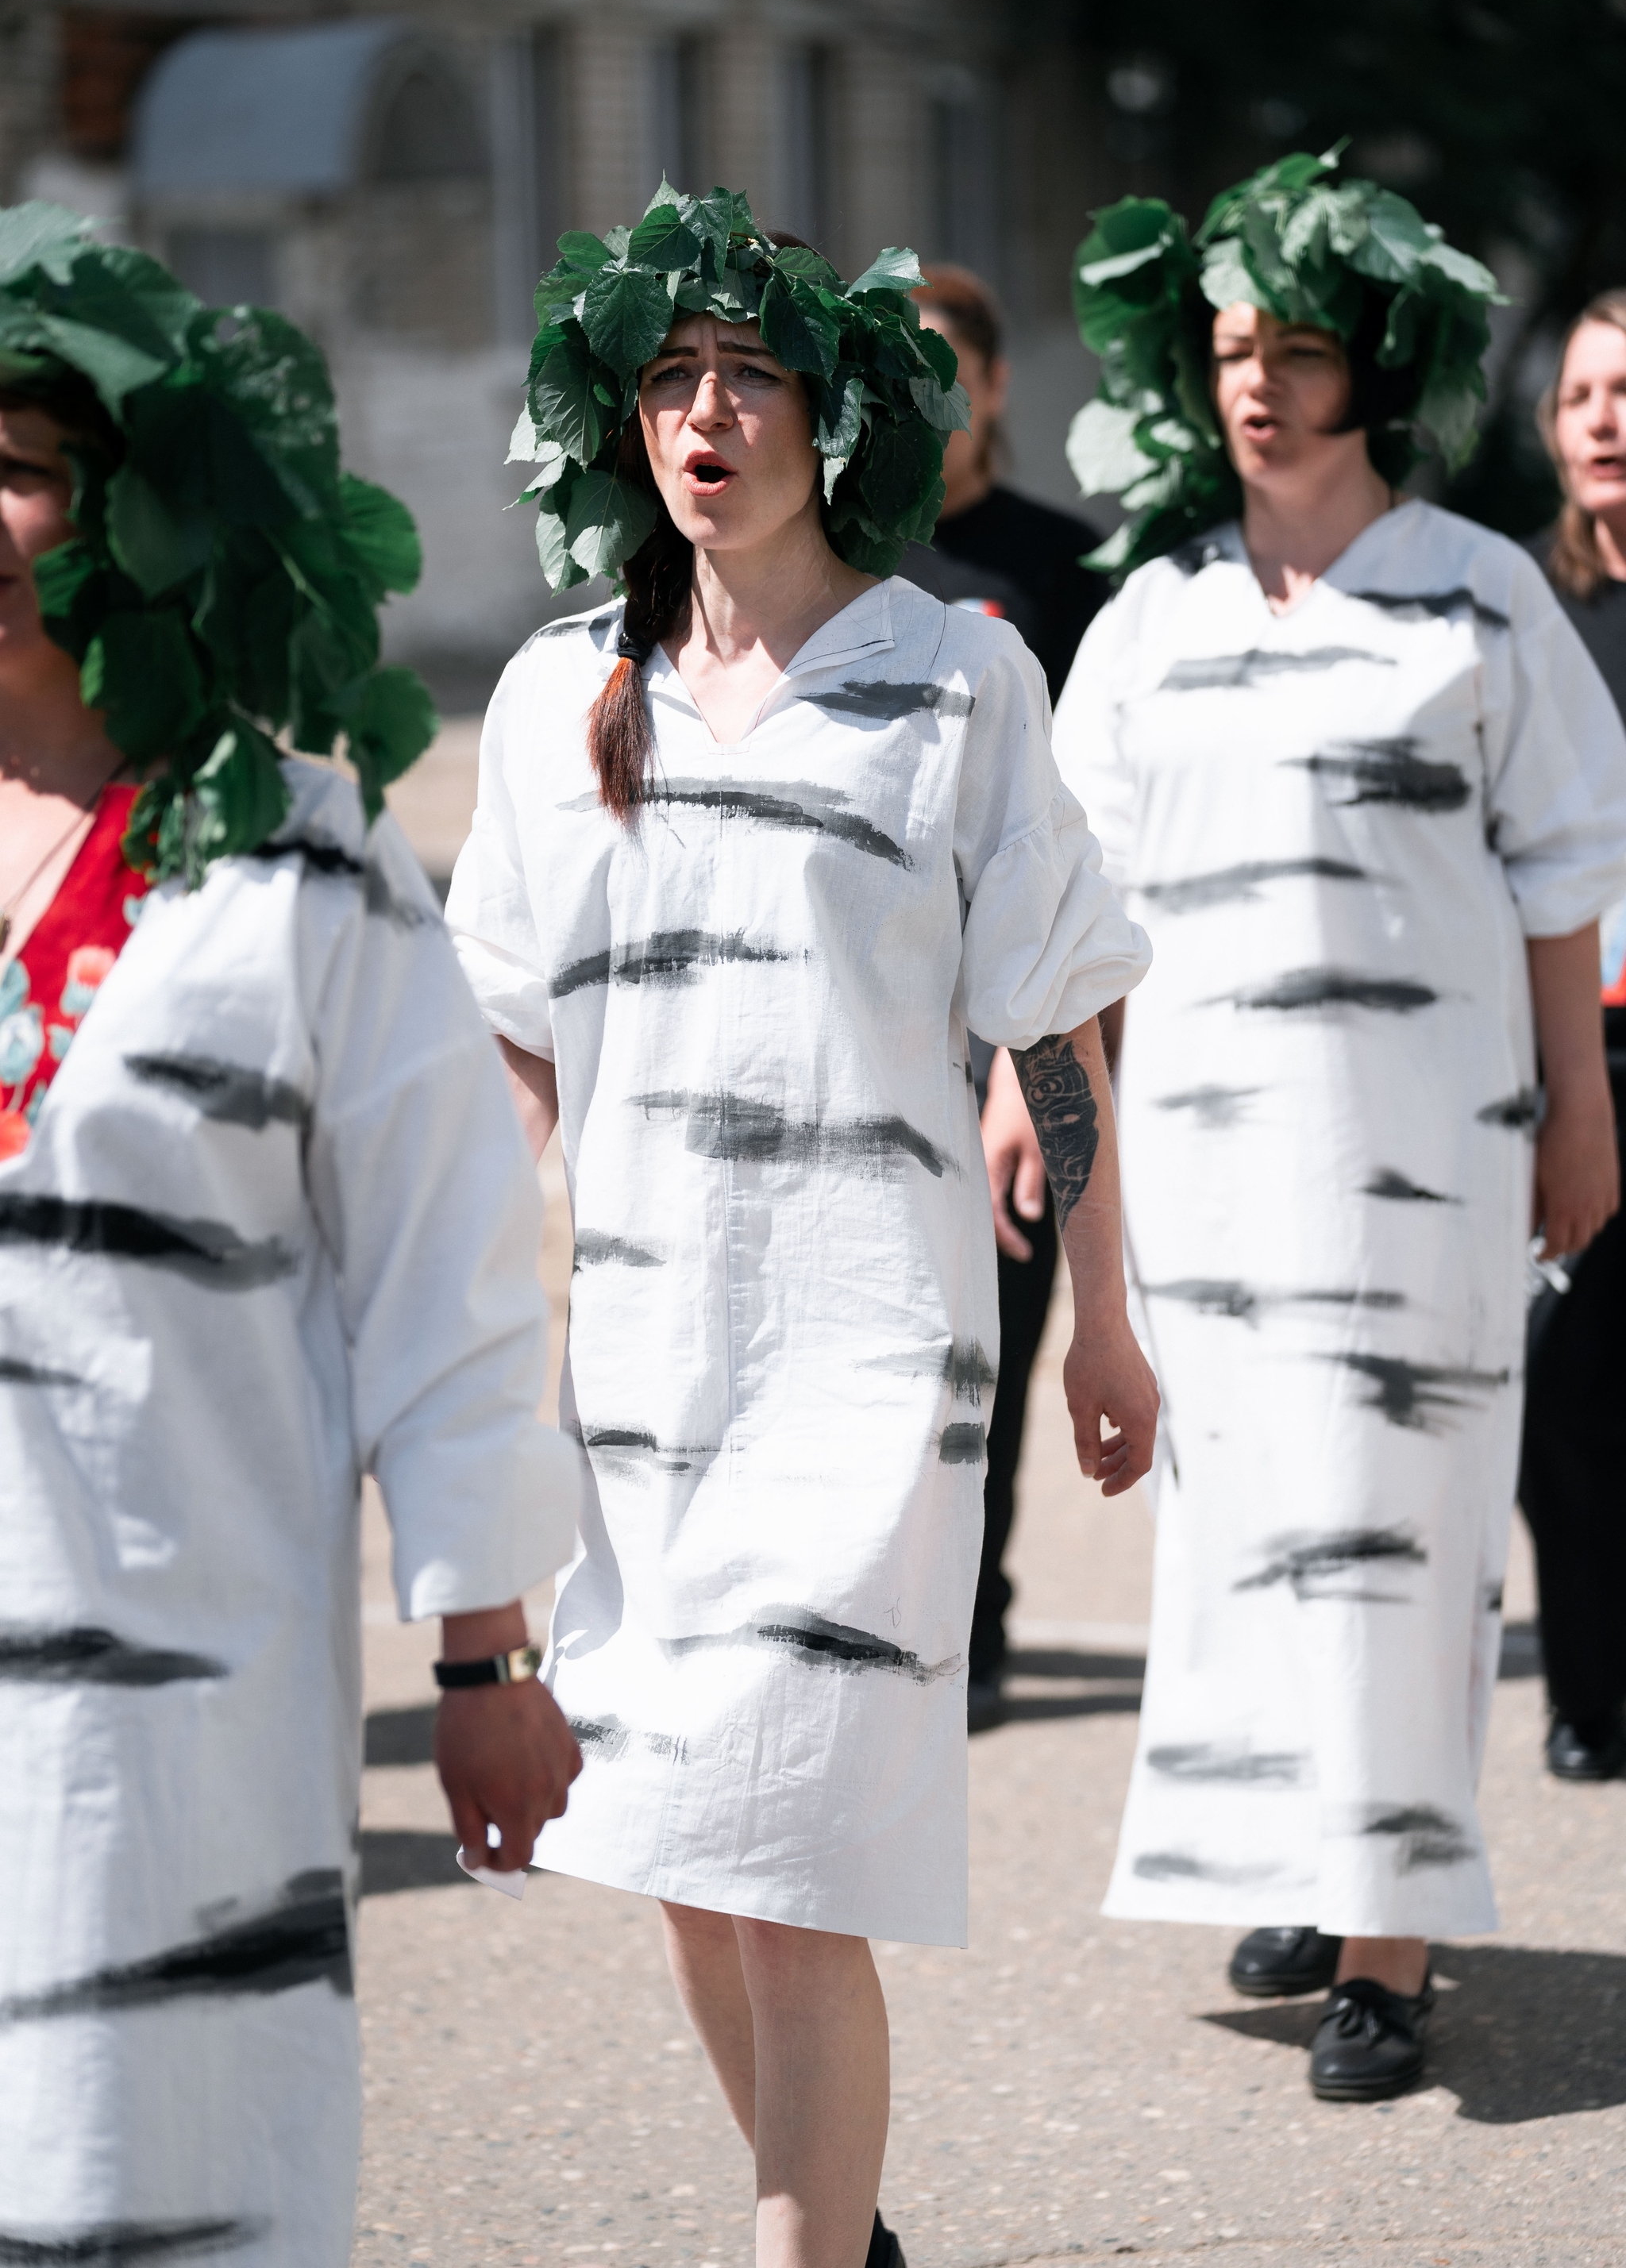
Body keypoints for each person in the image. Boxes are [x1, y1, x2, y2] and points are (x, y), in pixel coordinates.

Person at [449, 185, 1157, 2267]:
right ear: (620, 422)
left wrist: (1102, 1316)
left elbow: (1052, 1027)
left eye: (750, 372)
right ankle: (845, 2231)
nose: (707, 413)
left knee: (795, 1865)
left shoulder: (954, 683)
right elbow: (507, 1073)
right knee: (686, 1850)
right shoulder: (548, 700)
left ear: (831, 414)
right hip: (647, 1391)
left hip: (866, 1380)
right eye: (668, 376)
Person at [0, 206, 582, 2265]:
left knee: (162, 2166)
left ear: (135, 505)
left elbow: (447, 1266)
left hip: (186, 1702)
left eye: (24, 460)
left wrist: (488, 1649)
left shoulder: (297, 858)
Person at [1051, 149, 1626, 2103]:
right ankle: (1303, 1855)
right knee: (1251, 1529)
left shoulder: (1476, 598)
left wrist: (1576, 1115)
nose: (1258, 384)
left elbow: (1562, 876)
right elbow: (1073, 922)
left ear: (1372, 369)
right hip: (1210, 1171)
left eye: (1297, 348)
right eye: (1228, 348)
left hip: (1430, 1161)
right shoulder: (1146, 620)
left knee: (1404, 1525)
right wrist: (1040, 1108)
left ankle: (1389, 1937)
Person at [906, 264, 1113, 1722]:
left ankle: (974, 1624)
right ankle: (912, 1617)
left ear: (990, 385)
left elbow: (1097, 819)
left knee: (1010, 1318)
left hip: (1031, 1013)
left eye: (944, 368)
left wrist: (1038, 1049)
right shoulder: (845, 564)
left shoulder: (1068, 566)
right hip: (886, 1011)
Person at [1518, 291, 1626, 1781]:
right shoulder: (1522, 616)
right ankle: (1590, 1686)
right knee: (1568, 1383)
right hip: (1573, 1051)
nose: (1603, 417)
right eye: (1582, 394)